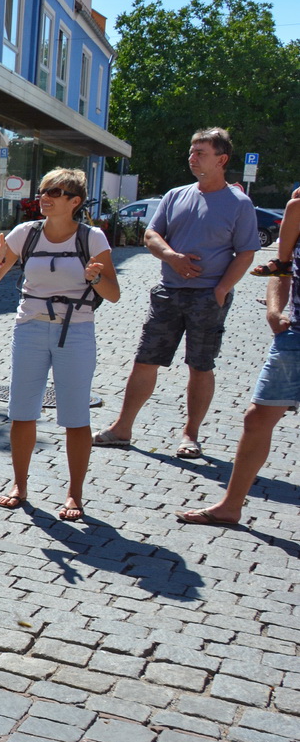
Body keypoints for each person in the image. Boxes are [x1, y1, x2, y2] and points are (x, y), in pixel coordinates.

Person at [94, 129, 260, 457]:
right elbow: (152, 234)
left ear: (221, 159)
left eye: (200, 152)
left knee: (200, 365)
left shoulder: (239, 204)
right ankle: (122, 428)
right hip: (168, 292)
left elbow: (246, 253)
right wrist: (172, 257)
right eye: (191, 151)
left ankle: (190, 435)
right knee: (145, 360)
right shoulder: (175, 196)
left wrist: (222, 289)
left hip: (207, 297)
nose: (192, 156)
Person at [0, 168, 119, 520]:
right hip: (29, 328)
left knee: (75, 414)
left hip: (76, 331)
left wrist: (96, 276)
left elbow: (113, 294)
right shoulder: (26, 233)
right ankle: (19, 485)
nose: (45, 196)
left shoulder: (93, 238)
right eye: (43, 190)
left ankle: (74, 494)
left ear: (75, 201)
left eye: (55, 192)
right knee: (21, 410)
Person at [177, 255, 297, 526]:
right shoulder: (296, 214)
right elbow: (281, 266)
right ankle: (231, 507)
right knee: (256, 420)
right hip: (294, 338)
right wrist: (274, 312)